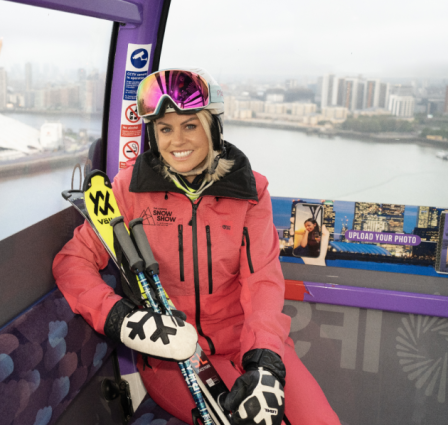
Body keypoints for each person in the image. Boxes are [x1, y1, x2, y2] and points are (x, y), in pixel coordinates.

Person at [53, 68, 340, 425]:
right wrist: (123, 319)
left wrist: (265, 360)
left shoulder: (250, 192)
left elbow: (262, 281)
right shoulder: (130, 190)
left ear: (212, 129)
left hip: (246, 339)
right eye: (165, 129)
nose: (177, 141)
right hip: (173, 355)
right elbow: (72, 262)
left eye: (190, 125)